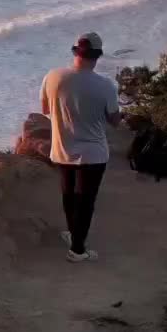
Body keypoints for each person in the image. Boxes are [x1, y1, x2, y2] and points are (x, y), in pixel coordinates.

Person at [40, 31, 120, 262]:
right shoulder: (105, 86)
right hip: (93, 153)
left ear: (75, 51)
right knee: (86, 200)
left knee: (68, 193)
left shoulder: (52, 77)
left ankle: (72, 234)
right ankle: (77, 250)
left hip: (62, 147)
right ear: (97, 56)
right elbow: (114, 121)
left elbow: (45, 109)